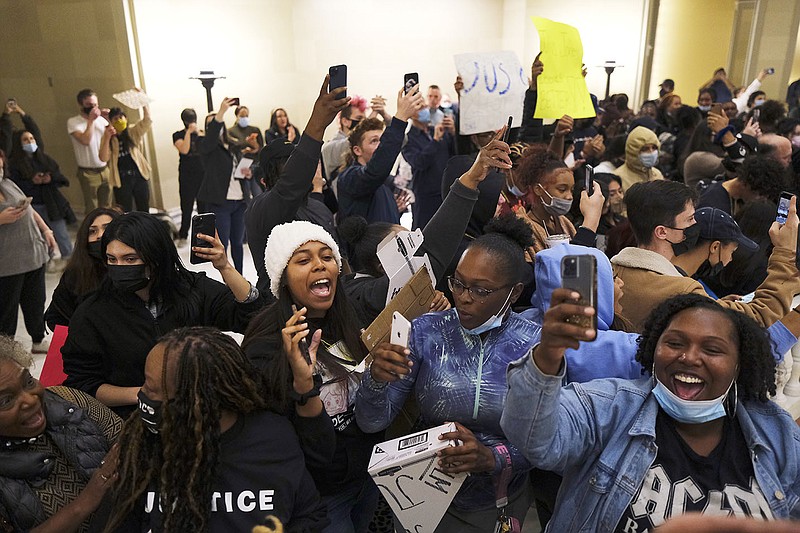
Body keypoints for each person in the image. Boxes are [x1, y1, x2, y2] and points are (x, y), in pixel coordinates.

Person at [242, 131, 512, 531]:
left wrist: (471, 179)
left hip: (371, 480)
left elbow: (427, 261)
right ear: (281, 279)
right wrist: (303, 384)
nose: (320, 266)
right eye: (303, 260)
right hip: (317, 496)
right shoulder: (265, 344)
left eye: (326, 256)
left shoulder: (353, 305)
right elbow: (290, 449)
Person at [501, 292, 800, 530]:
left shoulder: (778, 434)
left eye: (712, 349)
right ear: (653, 350)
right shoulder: (609, 407)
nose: (688, 357)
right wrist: (546, 357)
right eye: (674, 343)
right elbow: (535, 438)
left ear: (738, 365)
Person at [356, 214, 540, 532]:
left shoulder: (536, 346)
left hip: (498, 503)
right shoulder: (426, 332)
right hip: (424, 497)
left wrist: (492, 457)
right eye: (458, 283)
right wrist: (375, 380)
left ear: (514, 292)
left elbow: (548, 443)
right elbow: (373, 420)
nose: (464, 297)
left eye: (482, 291)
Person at [61, 211, 262, 418]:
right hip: (135, 418)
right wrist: (148, 395)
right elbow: (82, 384)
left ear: (156, 258)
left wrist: (225, 267)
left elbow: (255, 318)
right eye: (112, 259)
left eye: (130, 259)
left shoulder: (193, 290)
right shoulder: (92, 312)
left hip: (204, 411)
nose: (120, 268)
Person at [611, 180, 800, 331]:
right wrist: (785, 251)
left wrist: (714, 304)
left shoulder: (609, 272)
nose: (696, 225)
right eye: (690, 219)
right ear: (662, 232)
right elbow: (758, 315)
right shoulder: (682, 290)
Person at [0, 335, 121, 532]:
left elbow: (131, 443)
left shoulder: (70, 399)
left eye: (28, 382)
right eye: (5, 401)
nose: (30, 400)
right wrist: (87, 500)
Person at [246, 74, 349, 295]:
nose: (306, 170)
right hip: (281, 309)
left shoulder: (315, 205)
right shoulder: (262, 208)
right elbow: (290, 186)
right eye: (289, 165)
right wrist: (317, 124)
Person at [336, 86, 424, 225]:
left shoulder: (386, 182)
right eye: (374, 141)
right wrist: (400, 118)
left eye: (381, 140)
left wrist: (394, 210)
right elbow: (374, 171)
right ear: (357, 150)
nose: (380, 145)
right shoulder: (349, 177)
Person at [0, 149, 57, 353]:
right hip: (7, 262)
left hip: (32, 253)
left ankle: (38, 338)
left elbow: (30, 210)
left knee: (35, 300)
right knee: (7, 310)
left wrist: (46, 230)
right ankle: (6, 350)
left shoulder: (8, 183)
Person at [7, 115, 76, 264]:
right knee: (40, 235)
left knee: (61, 233)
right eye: (26, 140)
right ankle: (47, 261)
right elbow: (13, 187)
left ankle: (69, 261)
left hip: (51, 203)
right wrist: (32, 181)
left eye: (32, 139)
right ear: (18, 143)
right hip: (32, 205)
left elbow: (61, 178)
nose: (30, 142)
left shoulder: (44, 158)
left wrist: (49, 179)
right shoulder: (14, 164)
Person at [514, 144, 603, 255]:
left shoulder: (564, 223)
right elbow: (573, 266)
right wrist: (591, 219)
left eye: (571, 189)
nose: (569, 196)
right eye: (562, 189)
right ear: (538, 189)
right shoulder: (522, 229)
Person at [197, 98, 251, 273]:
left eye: (218, 120)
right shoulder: (206, 146)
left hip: (240, 200)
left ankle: (240, 277)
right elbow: (212, 136)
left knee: (238, 242)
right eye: (211, 123)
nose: (216, 124)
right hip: (221, 202)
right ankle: (228, 280)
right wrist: (220, 112)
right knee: (223, 244)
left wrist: (247, 171)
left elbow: (241, 167)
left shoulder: (233, 144)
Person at [45, 207, 121, 330]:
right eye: (92, 231)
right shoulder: (75, 274)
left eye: (107, 228)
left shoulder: (136, 268)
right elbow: (56, 317)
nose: (100, 235)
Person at [402, 104, 456, 229]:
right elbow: (419, 162)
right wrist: (435, 141)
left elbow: (453, 155)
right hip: (426, 196)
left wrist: (453, 133)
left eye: (424, 105)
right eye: (421, 107)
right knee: (424, 233)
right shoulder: (408, 139)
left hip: (445, 192)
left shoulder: (435, 130)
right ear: (412, 114)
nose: (426, 109)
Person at [99, 105, 152, 213]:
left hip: (139, 175)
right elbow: (103, 158)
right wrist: (107, 137)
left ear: (126, 118)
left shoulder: (132, 132)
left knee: (144, 207)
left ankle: (146, 229)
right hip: (121, 179)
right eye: (115, 119)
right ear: (111, 122)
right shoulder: (108, 137)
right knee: (124, 210)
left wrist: (144, 104)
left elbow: (147, 121)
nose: (119, 120)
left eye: (121, 117)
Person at [67, 89, 111, 213]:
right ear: (81, 105)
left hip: (104, 168)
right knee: (92, 208)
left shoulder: (101, 120)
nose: (93, 108)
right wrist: (90, 120)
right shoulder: (73, 122)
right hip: (88, 172)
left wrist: (108, 119)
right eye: (89, 105)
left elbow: (112, 139)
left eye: (95, 105)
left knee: (106, 206)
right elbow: (85, 141)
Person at [698, 155, 786, 216]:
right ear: (745, 184)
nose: (763, 200)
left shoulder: (737, 199)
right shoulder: (712, 206)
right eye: (760, 195)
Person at [172, 108, 205, 244]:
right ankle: (184, 234)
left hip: (202, 173)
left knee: (203, 206)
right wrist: (189, 133)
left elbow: (207, 148)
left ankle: (203, 235)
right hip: (186, 175)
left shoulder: (201, 133)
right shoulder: (178, 134)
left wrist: (198, 133)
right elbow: (184, 150)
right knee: (186, 206)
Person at [321, 96, 367, 182]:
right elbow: (349, 143)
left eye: (365, 119)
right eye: (359, 119)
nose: (363, 123)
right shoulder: (330, 147)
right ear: (345, 121)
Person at [613, 126, 664, 191]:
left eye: (654, 148)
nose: (651, 152)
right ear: (633, 152)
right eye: (645, 149)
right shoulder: (618, 178)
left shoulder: (657, 174)